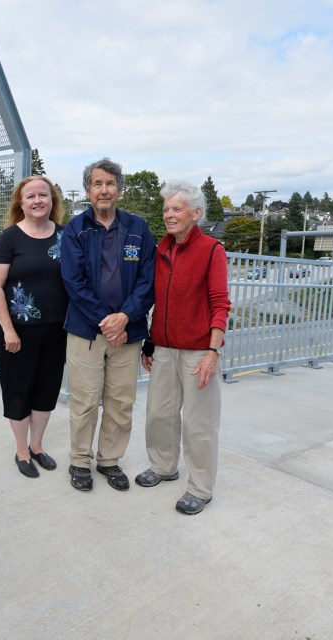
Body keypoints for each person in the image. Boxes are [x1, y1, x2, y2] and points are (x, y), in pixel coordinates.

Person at [60, 158, 155, 492]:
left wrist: (125, 317)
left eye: (110, 183)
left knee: (120, 402)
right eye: (97, 184)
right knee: (85, 402)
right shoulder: (76, 229)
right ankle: (79, 461)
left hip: (127, 334)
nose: (104, 190)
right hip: (87, 332)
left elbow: (148, 280)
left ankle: (109, 461)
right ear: (88, 190)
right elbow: (73, 282)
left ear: (120, 189)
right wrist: (106, 321)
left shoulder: (138, 228)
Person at [137, 180, 230, 515]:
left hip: (197, 351)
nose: (169, 215)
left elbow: (220, 304)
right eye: (166, 209)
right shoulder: (161, 250)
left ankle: (201, 488)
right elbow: (157, 300)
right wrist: (149, 341)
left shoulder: (211, 250)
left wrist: (212, 351)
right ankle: (163, 467)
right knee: (159, 414)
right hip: (162, 348)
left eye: (176, 209)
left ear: (196, 213)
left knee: (198, 423)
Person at [0, 176, 68, 479]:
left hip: (57, 329)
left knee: (46, 390)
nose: (37, 201)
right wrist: (8, 329)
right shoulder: (10, 238)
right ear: (21, 203)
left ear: (52, 200)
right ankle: (22, 450)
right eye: (30, 196)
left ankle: (38, 445)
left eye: (43, 195)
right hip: (18, 331)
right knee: (18, 390)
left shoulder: (64, 235)